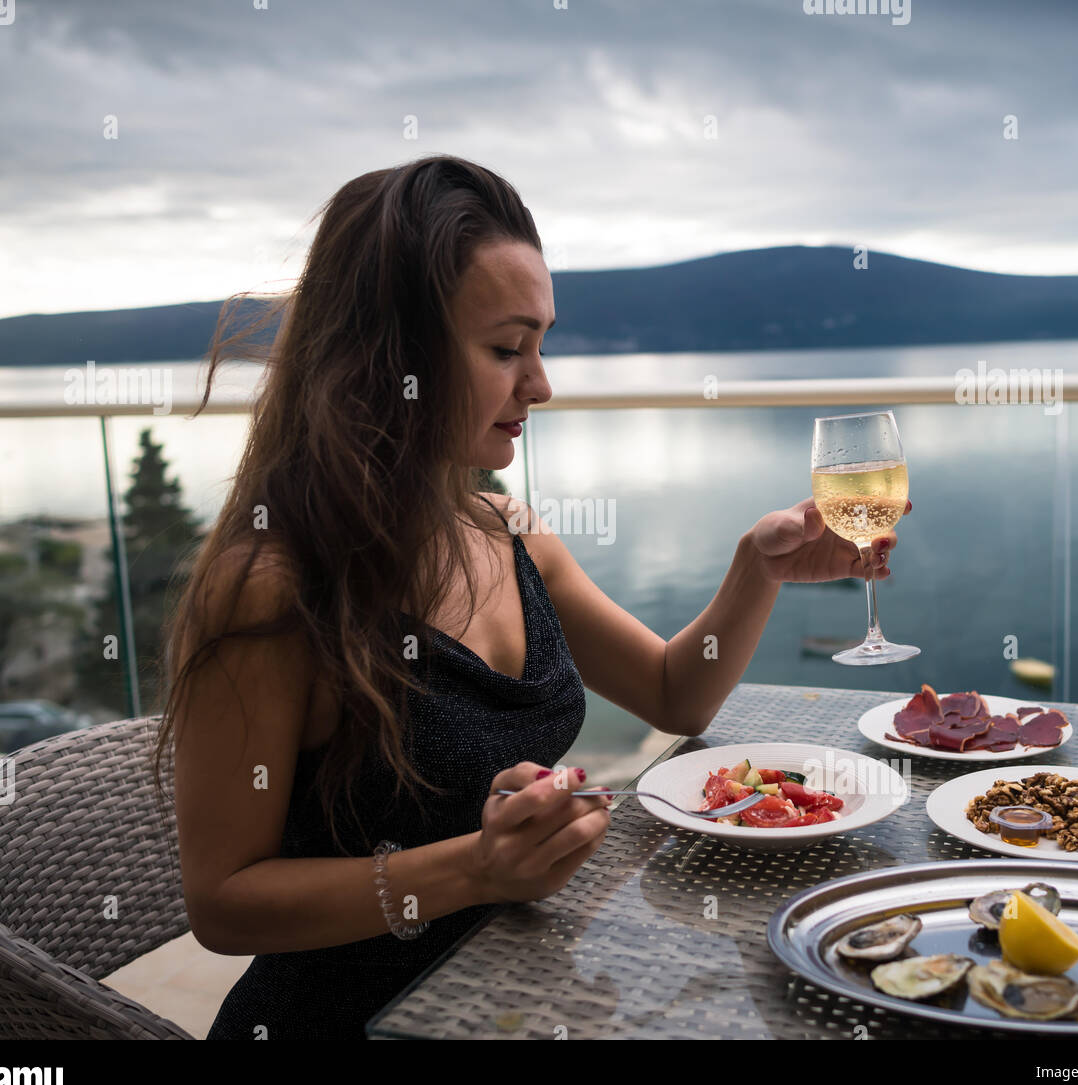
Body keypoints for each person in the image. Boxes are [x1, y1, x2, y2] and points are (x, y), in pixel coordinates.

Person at [152, 155, 903, 1040]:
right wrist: (476, 868)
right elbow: (225, 904)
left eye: (540, 344)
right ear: (388, 357)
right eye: (508, 349)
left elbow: (675, 693)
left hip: (517, 993)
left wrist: (756, 571)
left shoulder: (506, 534)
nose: (539, 384)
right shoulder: (271, 592)